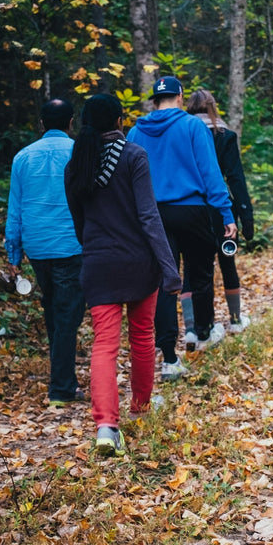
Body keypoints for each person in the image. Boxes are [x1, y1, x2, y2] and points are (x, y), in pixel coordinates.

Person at [65, 94, 182, 457]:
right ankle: (141, 409)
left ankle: (105, 427)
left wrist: (96, 250)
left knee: (104, 345)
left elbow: (79, 223)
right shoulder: (133, 156)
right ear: (119, 121)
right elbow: (149, 216)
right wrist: (169, 267)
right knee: (143, 337)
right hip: (137, 264)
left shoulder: (76, 165)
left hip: (98, 265)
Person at [126, 76, 237, 380]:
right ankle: (201, 334)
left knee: (165, 281)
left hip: (153, 214)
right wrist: (226, 213)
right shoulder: (192, 126)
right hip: (192, 210)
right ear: (180, 97)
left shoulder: (136, 131)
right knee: (199, 273)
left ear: (154, 100)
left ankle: (169, 357)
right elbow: (210, 172)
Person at [5, 99, 86, 408]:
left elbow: (15, 209)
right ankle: (62, 387)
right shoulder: (79, 152)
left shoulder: (22, 158)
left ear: (41, 124)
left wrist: (13, 254)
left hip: (38, 247)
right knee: (67, 314)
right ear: (71, 122)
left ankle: (63, 377)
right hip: (71, 245)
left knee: (54, 309)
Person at [183, 89, 255, 332]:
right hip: (222, 209)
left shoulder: (182, 134)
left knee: (191, 268)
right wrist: (246, 215)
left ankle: (193, 327)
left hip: (190, 208)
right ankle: (235, 320)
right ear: (213, 107)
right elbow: (235, 178)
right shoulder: (225, 136)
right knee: (227, 262)